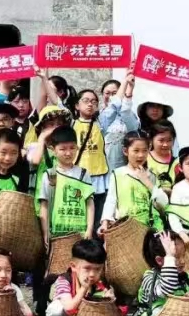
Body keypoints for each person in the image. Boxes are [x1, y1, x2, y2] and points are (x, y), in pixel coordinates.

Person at [44, 238, 114, 316]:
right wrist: (83, 289)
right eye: (87, 268)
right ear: (73, 267)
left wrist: (110, 299)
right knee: (56, 309)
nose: (92, 274)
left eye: (98, 269)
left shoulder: (101, 284)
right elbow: (69, 308)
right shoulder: (64, 280)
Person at [99, 131, 170, 235]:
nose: (140, 155)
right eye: (136, 151)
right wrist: (105, 222)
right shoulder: (118, 174)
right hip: (126, 229)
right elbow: (111, 200)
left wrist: (147, 181)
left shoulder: (152, 175)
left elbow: (163, 204)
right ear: (125, 151)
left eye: (144, 151)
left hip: (151, 230)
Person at [71, 89, 112, 225]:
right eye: (86, 101)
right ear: (77, 105)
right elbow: (57, 102)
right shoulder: (71, 123)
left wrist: (127, 84)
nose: (90, 104)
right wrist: (44, 79)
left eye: (94, 102)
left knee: (97, 214)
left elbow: (114, 106)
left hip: (98, 175)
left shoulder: (101, 124)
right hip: (77, 175)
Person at [100, 75, 140, 171]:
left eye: (115, 93)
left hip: (124, 169)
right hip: (100, 168)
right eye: (107, 93)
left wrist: (129, 91)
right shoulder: (99, 116)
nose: (111, 97)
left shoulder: (129, 115)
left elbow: (133, 128)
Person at [146, 122, 177, 194]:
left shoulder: (177, 162)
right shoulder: (144, 159)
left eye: (169, 140)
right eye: (161, 140)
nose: (165, 144)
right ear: (151, 140)